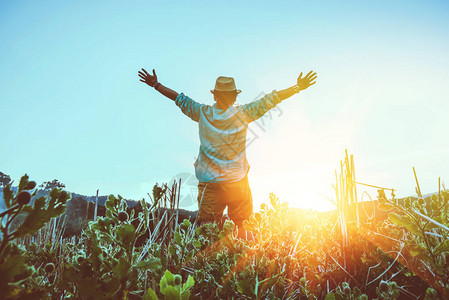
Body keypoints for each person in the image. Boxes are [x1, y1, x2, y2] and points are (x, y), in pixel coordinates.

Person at [138, 69, 317, 238]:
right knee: (244, 229)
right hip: (237, 183)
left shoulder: (202, 112)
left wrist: (156, 85)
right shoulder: (244, 113)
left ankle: (207, 269)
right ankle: (246, 268)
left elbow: (178, 98)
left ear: (215, 95)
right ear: (233, 97)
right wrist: (297, 87)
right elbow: (272, 99)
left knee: (207, 232)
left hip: (210, 185)